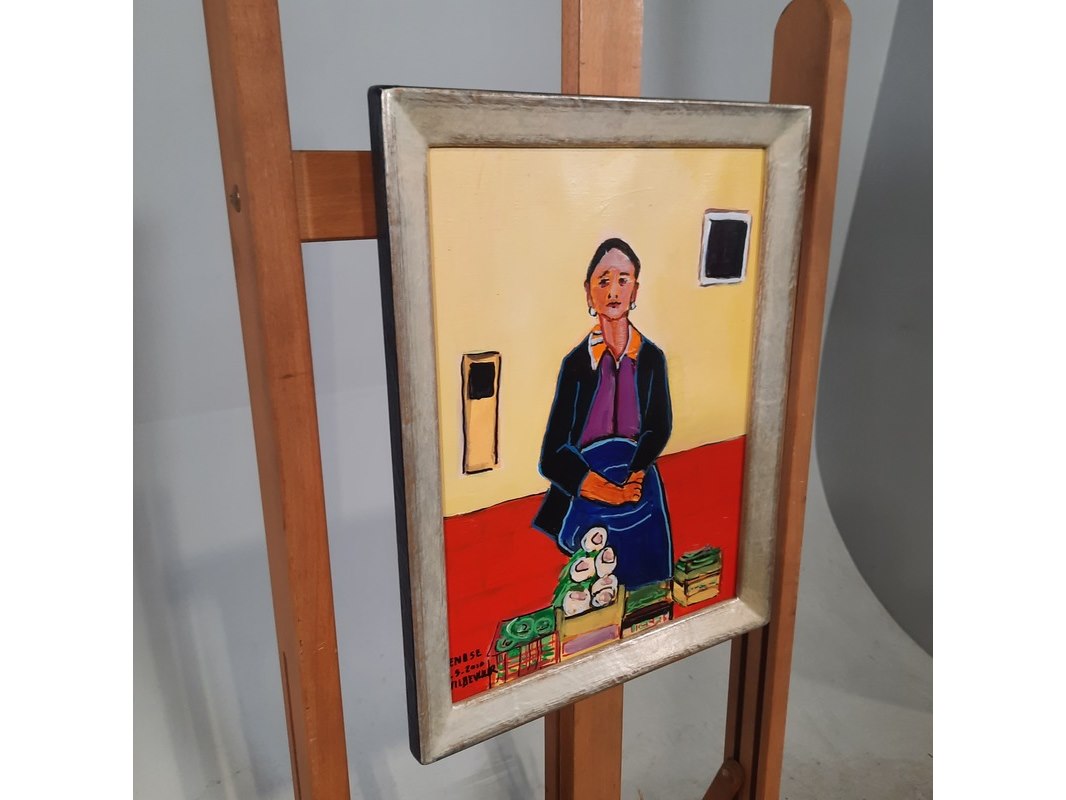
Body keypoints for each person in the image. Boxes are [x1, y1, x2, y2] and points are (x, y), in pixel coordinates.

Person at [533, 238, 674, 589]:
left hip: (639, 495)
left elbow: (659, 427)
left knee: (650, 587)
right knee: (590, 592)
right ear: (588, 292)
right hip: (586, 498)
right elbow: (552, 457)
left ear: (635, 290)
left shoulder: (652, 359)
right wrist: (607, 491)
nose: (613, 291)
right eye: (603, 281)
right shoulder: (575, 365)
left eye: (623, 280)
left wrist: (635, 477)